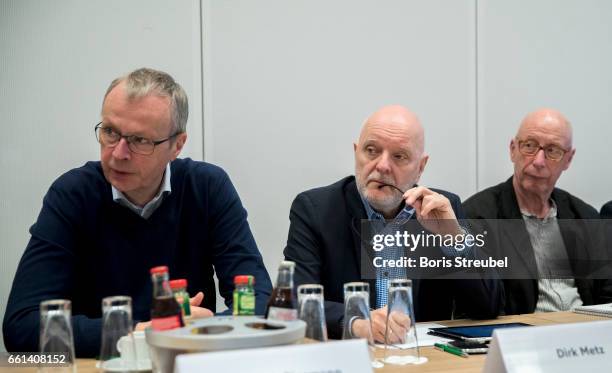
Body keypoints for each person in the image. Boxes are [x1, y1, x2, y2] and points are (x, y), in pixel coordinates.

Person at [3, 68, 272, 356]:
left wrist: (209, 328)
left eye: (139, 140)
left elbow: (259, 299)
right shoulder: (73, 194)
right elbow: (23, 325)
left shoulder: (206, 187)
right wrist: (140, 332)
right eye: (110, 132)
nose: (118, 153)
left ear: (176, 145)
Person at [284, 105, 502, 341]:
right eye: (371, 150)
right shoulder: (316, 209)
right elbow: (294, 301)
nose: (382, 166)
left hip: (425, 360)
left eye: (399, 156)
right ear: (356, 153)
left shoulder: (440, 209)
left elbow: (488, 307)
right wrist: (356, 323)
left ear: (420, 168)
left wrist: (454, 238)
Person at [464, 108, 612, 314]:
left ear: (568, 159)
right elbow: (483, 304)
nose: (539, 161)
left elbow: (607, 297)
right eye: (530, 146)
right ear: (513, 149)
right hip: (522, 336)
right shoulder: (479, 216)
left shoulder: (585, 216)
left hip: (584, 336)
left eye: (553, 151)